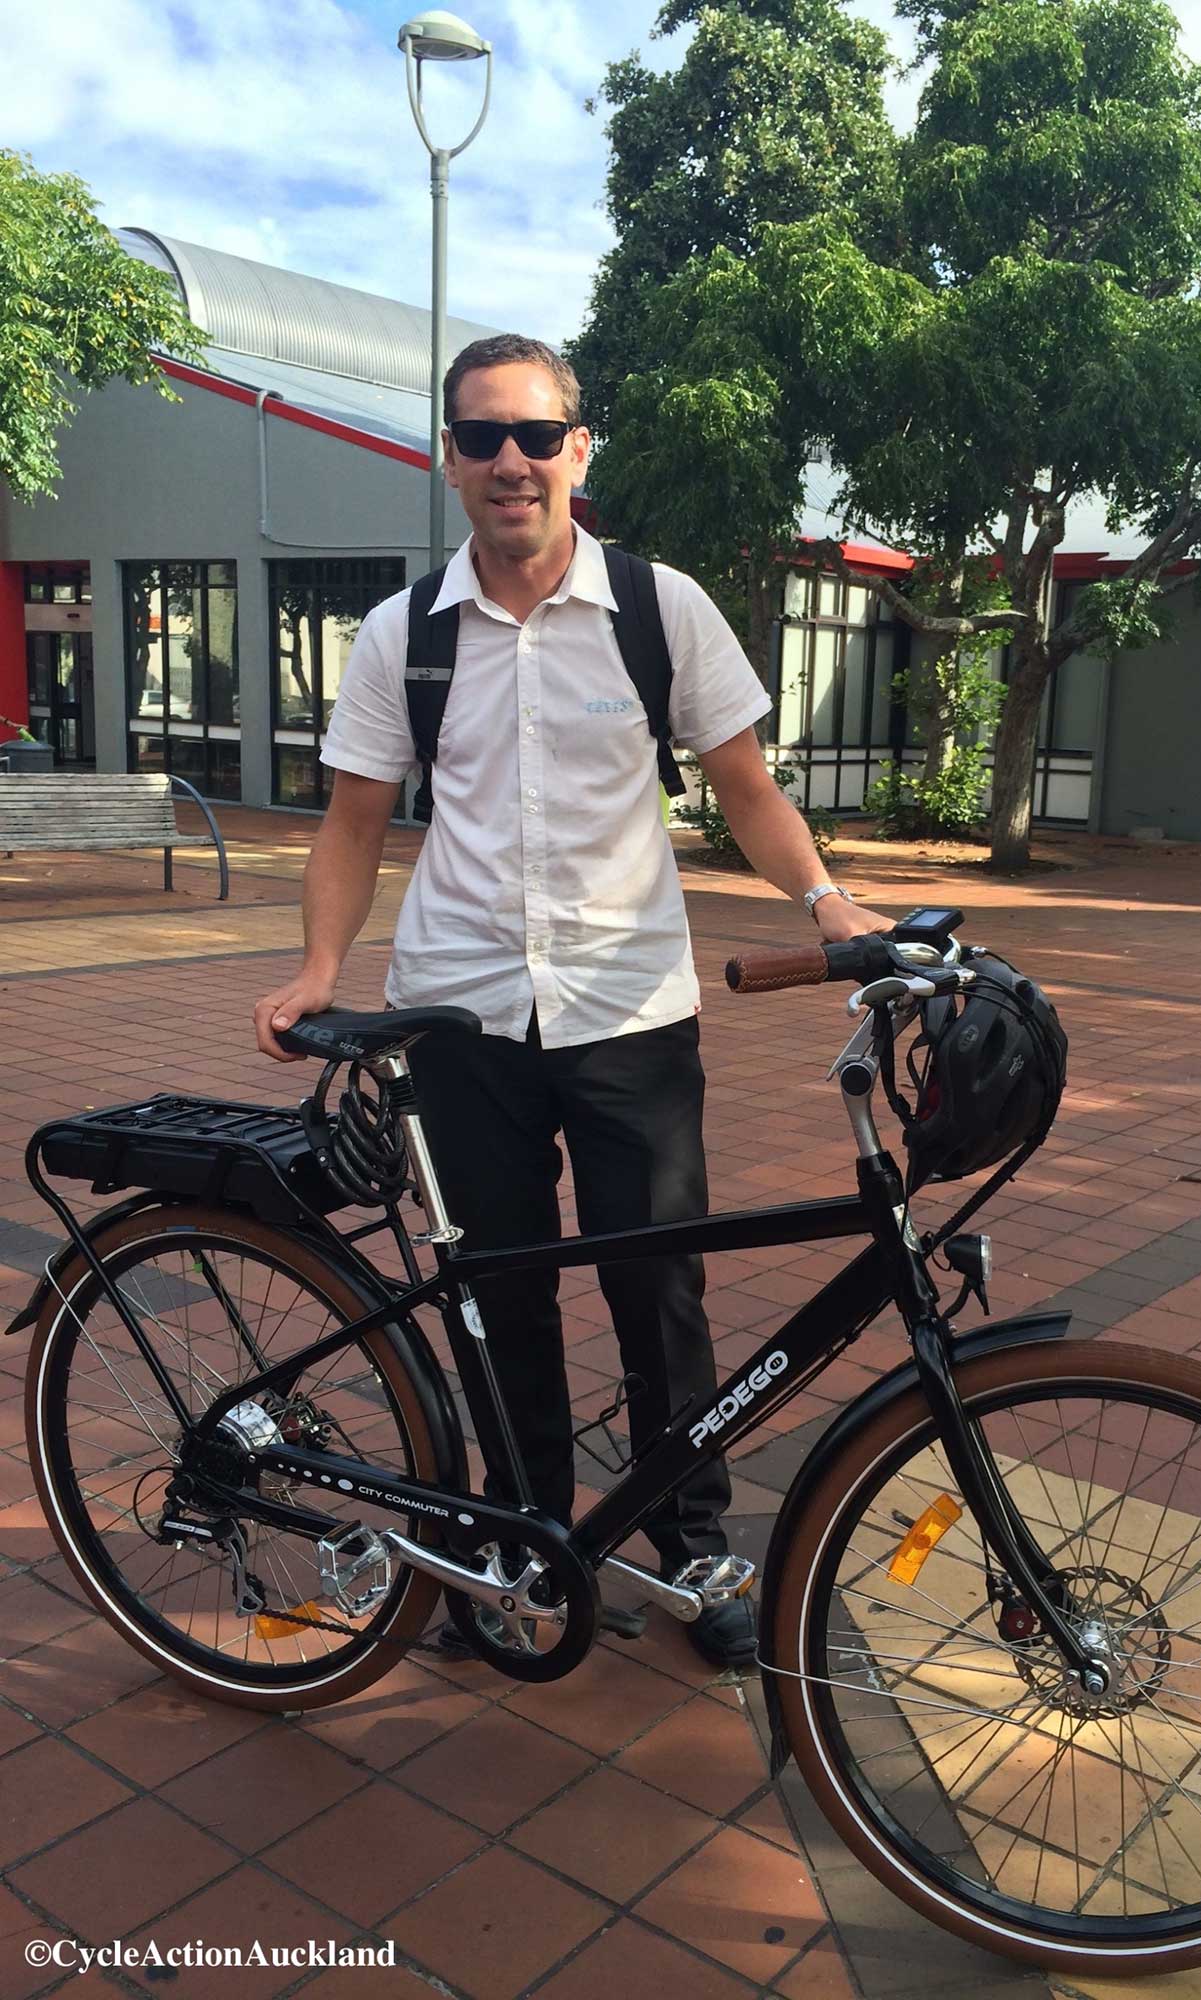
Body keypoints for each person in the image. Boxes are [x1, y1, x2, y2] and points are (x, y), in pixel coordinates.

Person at [253, 333, 890, 1666]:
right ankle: (523, 1538)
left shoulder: (661, 611)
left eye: (536, 436)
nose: (510, 463)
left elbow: (748, 787)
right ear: (450, 458)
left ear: (577, 451)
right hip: (458, 1021)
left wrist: (827, 906)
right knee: (501, 1295)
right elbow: (354, 821)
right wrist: (320, 969)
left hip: (628, 1012)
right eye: (482, 437)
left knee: (657, 1288)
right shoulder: (404, 635)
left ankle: (693, 1539)